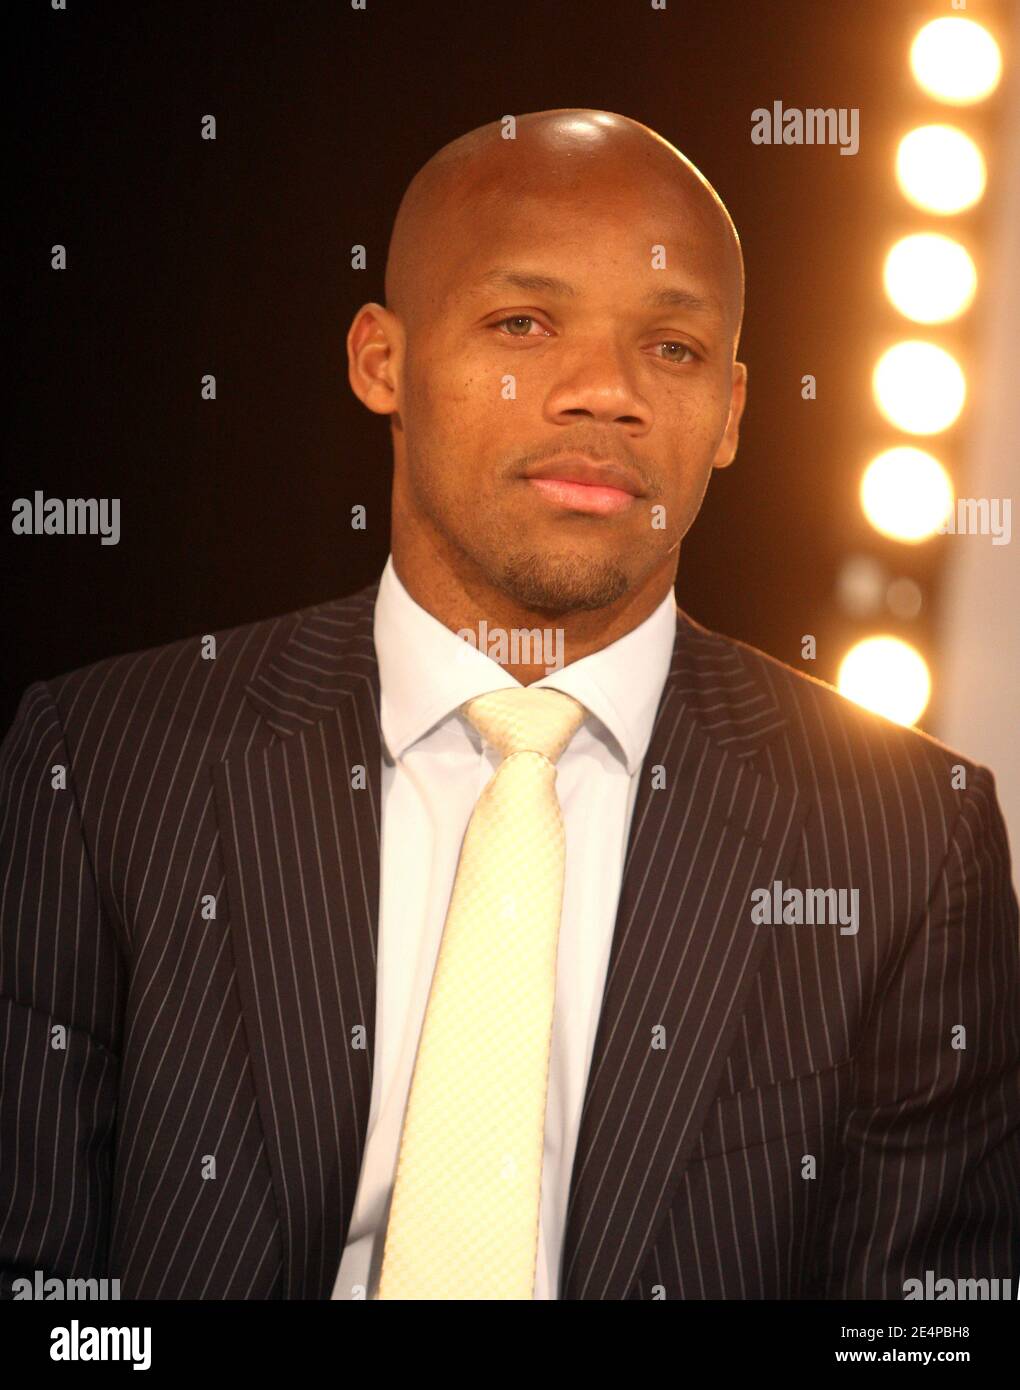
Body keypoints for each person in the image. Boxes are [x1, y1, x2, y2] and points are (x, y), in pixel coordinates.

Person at [1, 110, 1017, 1301]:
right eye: (523, 324)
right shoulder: (106, 760)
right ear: (381, 358)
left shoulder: (905, 834)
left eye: (674, 348)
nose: (605, 392)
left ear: (735, 412)